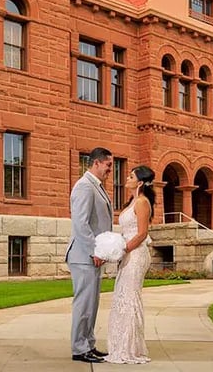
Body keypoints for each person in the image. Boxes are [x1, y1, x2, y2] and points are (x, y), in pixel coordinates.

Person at [66, 147, 114, 363]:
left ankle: (88, 344)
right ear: (96, 163)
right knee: (84, 303)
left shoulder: (97, 186)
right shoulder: (84, 186)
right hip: (83, 255)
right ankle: (79, 349)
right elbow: (80, 223)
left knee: (92, 304)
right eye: (109, 165)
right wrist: (94, 250)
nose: (110, 170)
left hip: (92, 256)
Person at [104, 165, 156, 364]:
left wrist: (123, 249)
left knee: (130, 298)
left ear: (140, 182)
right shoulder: (132, 201)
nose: (127, 177)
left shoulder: (142, 202)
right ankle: (119, 345)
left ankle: (130, 349)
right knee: (121, 297)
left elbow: (142, 233)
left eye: (131, 176)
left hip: (136, 254)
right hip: (128, 252)